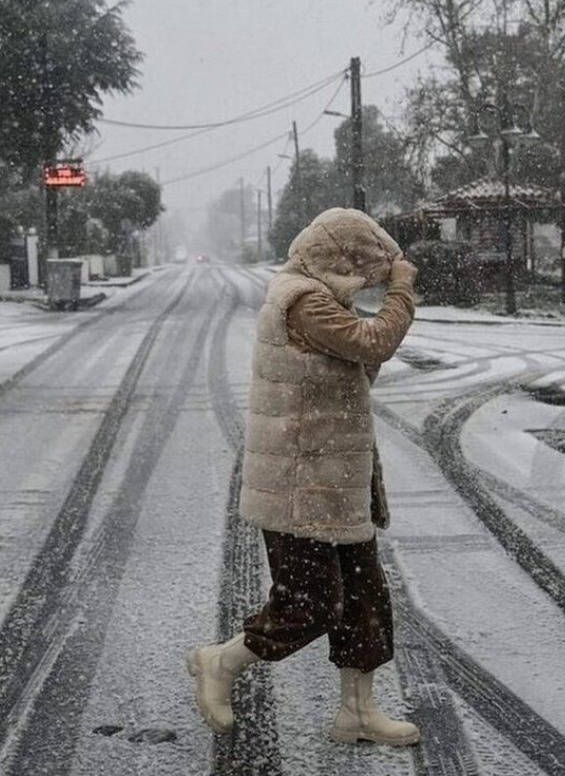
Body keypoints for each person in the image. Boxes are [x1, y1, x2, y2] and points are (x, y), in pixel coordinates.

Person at [187, 207, 420, 747]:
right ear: (340, 259)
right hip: (300, 487)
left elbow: (357, 367)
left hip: (338, 481)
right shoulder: (302, 300)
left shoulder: (320, 298)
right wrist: (402, 292)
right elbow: (373, 343)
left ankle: (357, 713)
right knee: (309, 604)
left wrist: (379, 309)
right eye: (365, 269)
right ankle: (221, 662)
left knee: (364, 600)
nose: (372, 280)